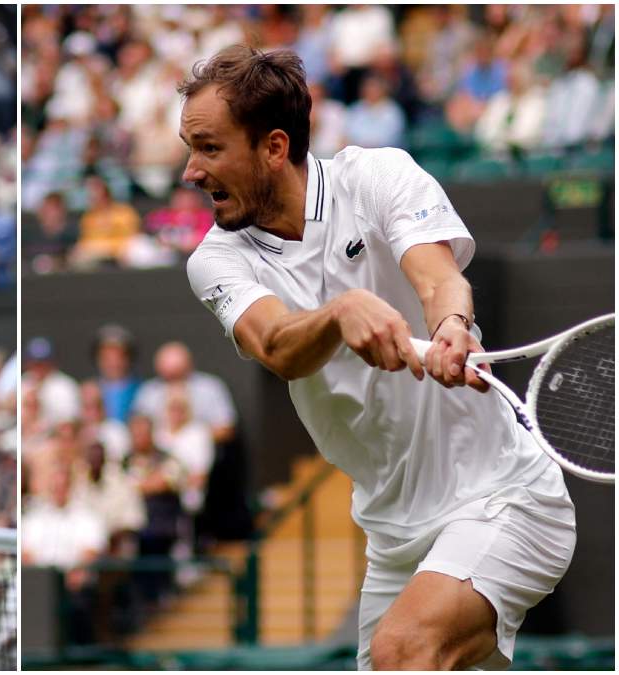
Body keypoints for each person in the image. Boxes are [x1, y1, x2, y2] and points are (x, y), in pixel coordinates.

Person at [180, 45, 575, 670]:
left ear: (274, 148)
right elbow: (278, 346)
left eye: (208, 148)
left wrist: (452, 327)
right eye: (188, 148)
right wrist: (342, 312)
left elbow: (439, 279)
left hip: (503, 498)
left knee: (402, 652)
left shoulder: (376, 177)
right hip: (394, 538)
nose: (190, 171)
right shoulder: (215, 260)